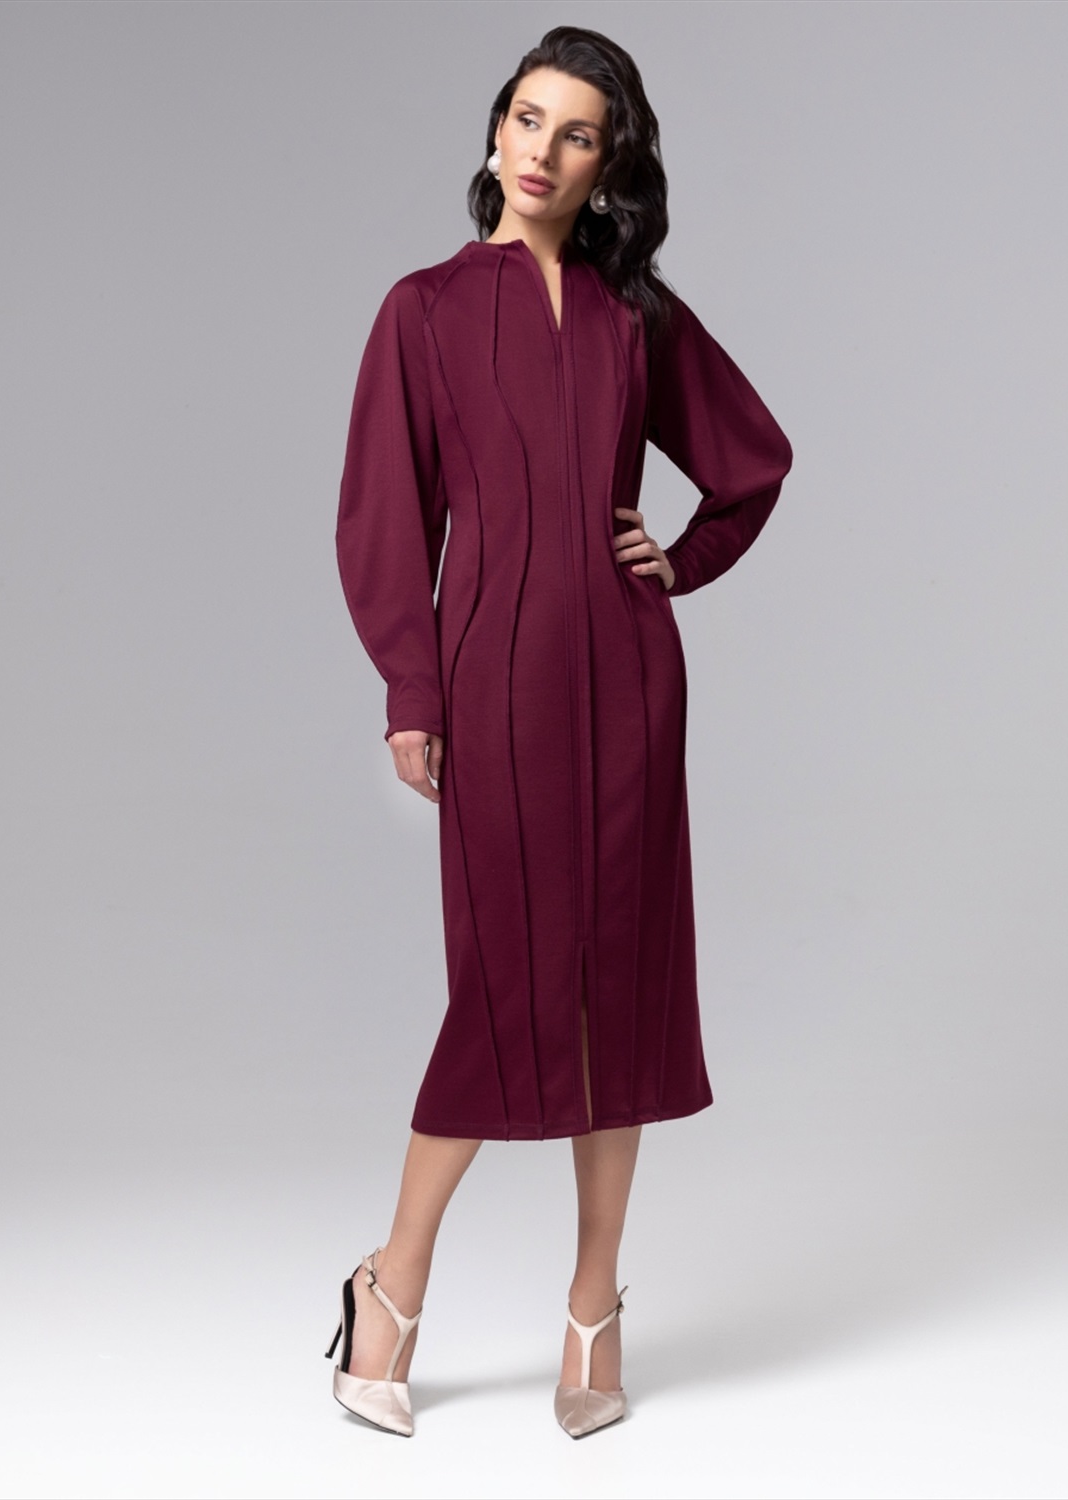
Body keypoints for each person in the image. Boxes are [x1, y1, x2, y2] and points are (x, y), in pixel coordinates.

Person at [329, 25, 793, 1439]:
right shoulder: (421, 311)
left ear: (607, 164)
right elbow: (383, 520)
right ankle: (393, 1279)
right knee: (505, 989)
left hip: (633, 689)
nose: (543, 149)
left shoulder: (635, 314)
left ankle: (595, 1307)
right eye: (528, 119)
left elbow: (751, 463)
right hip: (497, 688)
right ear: (495, 132)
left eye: (576, 132)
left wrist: (681, 562)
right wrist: (412, 691)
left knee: (619, 993)